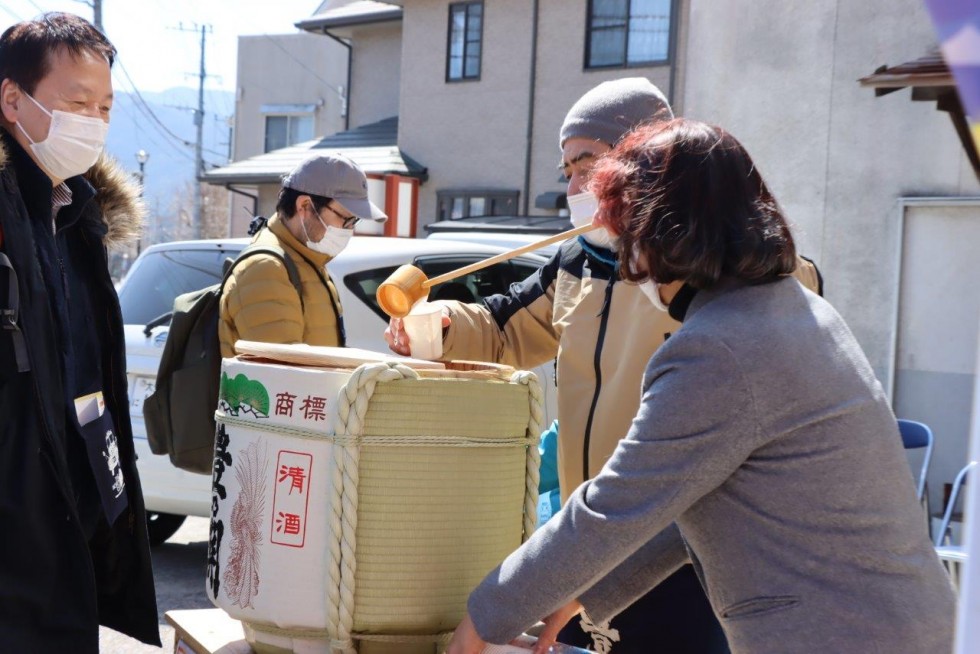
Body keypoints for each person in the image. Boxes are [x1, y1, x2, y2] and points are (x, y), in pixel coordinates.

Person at [446, 118, 956, 654]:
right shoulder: (796, 310)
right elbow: (687, 504)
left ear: (666, 234)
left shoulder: (719, 348)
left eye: (627, 240)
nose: (627, 264)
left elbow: (612, 507)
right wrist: (578, 592)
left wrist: (485, 617)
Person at [388, 78, 818, 653]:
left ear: (641, 160)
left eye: (584, 163)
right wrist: (442, 323)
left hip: (682, 547)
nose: (572, 185)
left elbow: (790, 289)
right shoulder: (575, 261)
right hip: (589, 539)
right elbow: (502, 326)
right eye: (566, 169)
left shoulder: (720, 266)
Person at [0, 13, 160, 650]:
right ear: (13, 99)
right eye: (75, 103)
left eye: (104, 107)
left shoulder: (80, 219)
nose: (92, 121)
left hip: (78, 531)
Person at [219, 152, 387, 358]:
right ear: (305, 206)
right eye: (345, 218)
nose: (349, 229)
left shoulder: (307, 259)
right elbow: (282, 375)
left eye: (354, 221)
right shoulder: (267, 268)